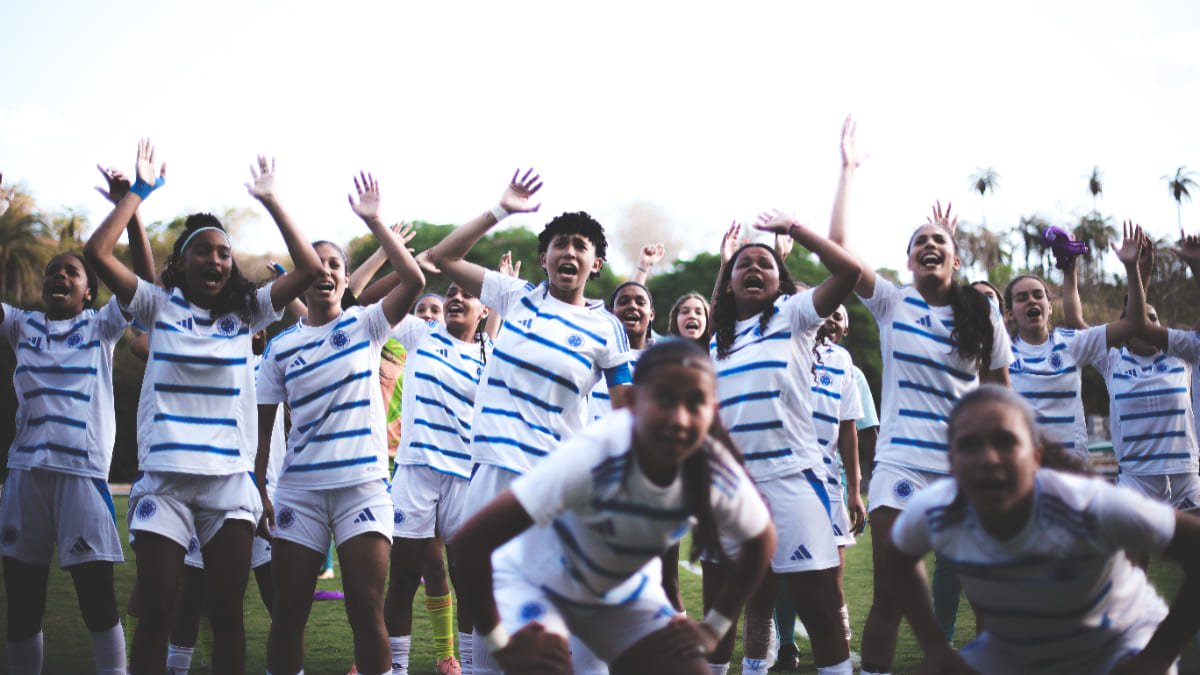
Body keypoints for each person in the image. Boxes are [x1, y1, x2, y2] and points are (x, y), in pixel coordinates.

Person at [84, 143, 323, 674]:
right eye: (203, 250)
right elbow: (96, 254)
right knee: (159, 611)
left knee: (226, 613)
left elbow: (308, 268)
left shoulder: (247, 313)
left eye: (223, 252)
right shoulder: (156, 305)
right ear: (182, 262)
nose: (215, 259)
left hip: (228, 485)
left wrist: (272, 199)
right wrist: (139, 196)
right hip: (164, 484)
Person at [453, 340, 777, 675]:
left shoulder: (714, 470)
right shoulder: (598, 452)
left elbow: (761, 540)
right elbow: (471, 543)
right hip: (539, 583)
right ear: (633, 404)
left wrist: (713, 628)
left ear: (713, 410)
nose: (680, 419)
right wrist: (501, 646)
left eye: (696, 403)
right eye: (664, 399)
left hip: (624, 589)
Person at [826, 117, 1014, 674]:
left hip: (967, 472)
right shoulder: (891, 303)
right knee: (890, 597)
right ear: (908, 262)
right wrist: (849, 170)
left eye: (939, 241)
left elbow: (1004, 402)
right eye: (919, 243)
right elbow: (839, 248)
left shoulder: (982, 316)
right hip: (901, 465)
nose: (929, 245)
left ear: (956, 260)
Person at [882, 385, 1200, 674]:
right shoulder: (936, 510)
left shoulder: (1086, 506)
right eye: (969, 445)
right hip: (1014, 648)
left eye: (1006, 441)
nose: (989, 458)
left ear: (1035, 456)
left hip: (1116, 641)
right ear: (950, 462)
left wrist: (1158, 655)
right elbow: (896, 556)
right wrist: (935, 647)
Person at [255, 172, 425, 675]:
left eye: (336, 264)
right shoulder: (280, 346)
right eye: (318, 263)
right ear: (304, 274)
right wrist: (258, 485)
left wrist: (374, 222)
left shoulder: (366, 323)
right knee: (289, 612)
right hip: (299, 493)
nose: (326, 271)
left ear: (345, 278)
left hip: (362, 488)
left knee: (365, 609)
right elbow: (263, 428)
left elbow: (414, 280)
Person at [0, 164, 155, 675]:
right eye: (53, 271)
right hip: (24, 479)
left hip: (83, 480)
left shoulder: (102, 327)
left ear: (90, 291)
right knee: (22, 604)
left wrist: (131, 206)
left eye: (72, 271)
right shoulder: (22, 326)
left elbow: (146, 289)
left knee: (96, 602)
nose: (60, 275)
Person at [704, 202, 863, 675]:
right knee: (718, 617)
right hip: (730, 491)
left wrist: (794, 230)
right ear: (729, 283)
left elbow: (849, 270)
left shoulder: (795, 317)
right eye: (742, 265)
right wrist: (723, 261)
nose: (754, 268)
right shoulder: (718, 342)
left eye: (765, 264)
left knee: (820, 613)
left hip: (792, 481)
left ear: (782, 282)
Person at [384, 280, 494, 675]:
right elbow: (369, 302)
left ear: (485, 310)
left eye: (468, 293)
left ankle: (467, 665)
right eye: (450, 292)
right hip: (415, 474)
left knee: (468, 584)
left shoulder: (495, 356)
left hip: (467, 478)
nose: (456, 298)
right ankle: (396, 668)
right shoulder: (420, 334)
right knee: (403, 580)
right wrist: (410, 267)